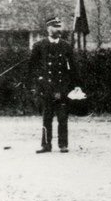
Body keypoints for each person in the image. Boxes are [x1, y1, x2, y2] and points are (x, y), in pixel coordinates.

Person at [28, 17, 79, 154]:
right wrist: (38, 81)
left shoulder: (66, 46)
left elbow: (73, 67)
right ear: (48, 28)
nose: (58, 29)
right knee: (47, 117)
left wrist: (76, 85)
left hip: (62, 87)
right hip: (45, 88)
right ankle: (46, 145)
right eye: (54, 26)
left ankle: (63, 144)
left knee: (62, 117)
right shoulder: (39, 45)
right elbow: (32, 67)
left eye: (59, 26)